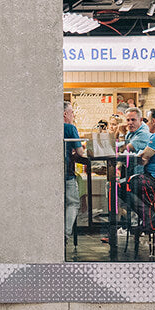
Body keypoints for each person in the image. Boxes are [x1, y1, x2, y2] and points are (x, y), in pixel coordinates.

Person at [64, 102, 85, 240]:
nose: (73, 115)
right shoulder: (70, 128)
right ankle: (65, 234)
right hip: (67, 171)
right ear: (65, 114)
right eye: (71, 112)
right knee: (73, 202)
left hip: (49, 172)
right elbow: (81, 152)